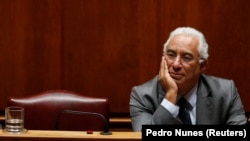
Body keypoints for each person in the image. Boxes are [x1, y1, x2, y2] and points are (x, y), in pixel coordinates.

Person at [129, 27, 247, 131]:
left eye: (186, 58)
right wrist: (170, 96)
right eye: (171, 55)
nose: (175, 64)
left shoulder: (225, 92)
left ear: (202, 65)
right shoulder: (142, 96)